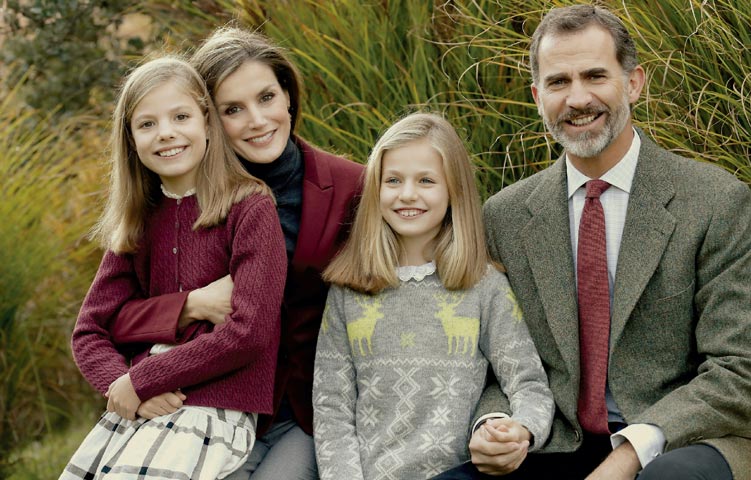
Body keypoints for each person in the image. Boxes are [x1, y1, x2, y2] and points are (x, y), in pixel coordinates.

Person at [433, 5, 751, 480]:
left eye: (595, 76)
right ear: (537, 95)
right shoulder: (505, 215)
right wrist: (497, 424)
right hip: (555, 440)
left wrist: (629, 455)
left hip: (686, 440)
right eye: (558, 82)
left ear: (634, 82)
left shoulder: (714, 201)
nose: (577, 99)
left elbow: (741, 368)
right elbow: (498, 362)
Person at [106, 27, 365, 479]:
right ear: (207, 117)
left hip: (307, 411)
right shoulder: (176, 199)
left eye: (267, 97)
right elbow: (109, 318)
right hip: (198, 402)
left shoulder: (353, 187)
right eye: (233, 109)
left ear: (288, 96)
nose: (257, 120)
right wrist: (187, 307)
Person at [61, 56, 286, 479]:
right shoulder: (138, 220)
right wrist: (126, 386)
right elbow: (90, 330)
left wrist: (143, 378)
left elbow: (248, 332)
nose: (166, 133)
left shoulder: (249, 208)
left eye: (180, 116)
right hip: (143, 408)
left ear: (206, 121)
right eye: (146, 124)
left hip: (215, 409)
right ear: (130, 139)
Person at [312, 112, 555, 479]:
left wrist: (519, 430)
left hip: (457, 473)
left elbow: (528, 383)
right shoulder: (349, 291)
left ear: (454, 191)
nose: (407, 194)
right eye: (393, 180)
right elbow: (332, 407)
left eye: (426, 180)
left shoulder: (483, 285)